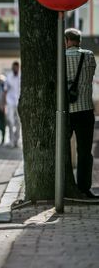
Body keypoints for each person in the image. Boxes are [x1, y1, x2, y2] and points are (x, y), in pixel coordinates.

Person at [65, 28, 97, 198]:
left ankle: (64, 185)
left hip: (66, 111)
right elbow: (90, 75)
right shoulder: (89, 56)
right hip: (85, 109)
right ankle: (84, 188)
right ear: (79, 40)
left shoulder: (61, 57)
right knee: (84, 151)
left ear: (67, 40)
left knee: (62, 149)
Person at [4, 61, 21, 148]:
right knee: (10, 121)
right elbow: (5, 91)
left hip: (19, 102)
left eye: (16, 67)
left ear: (18, 68)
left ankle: (16, 140)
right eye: (14, 67)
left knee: (18, 122)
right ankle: (11, 140)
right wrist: (3, 104)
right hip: (10, 102)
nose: (15, 69)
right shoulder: (9, 77)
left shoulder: (21, 77)